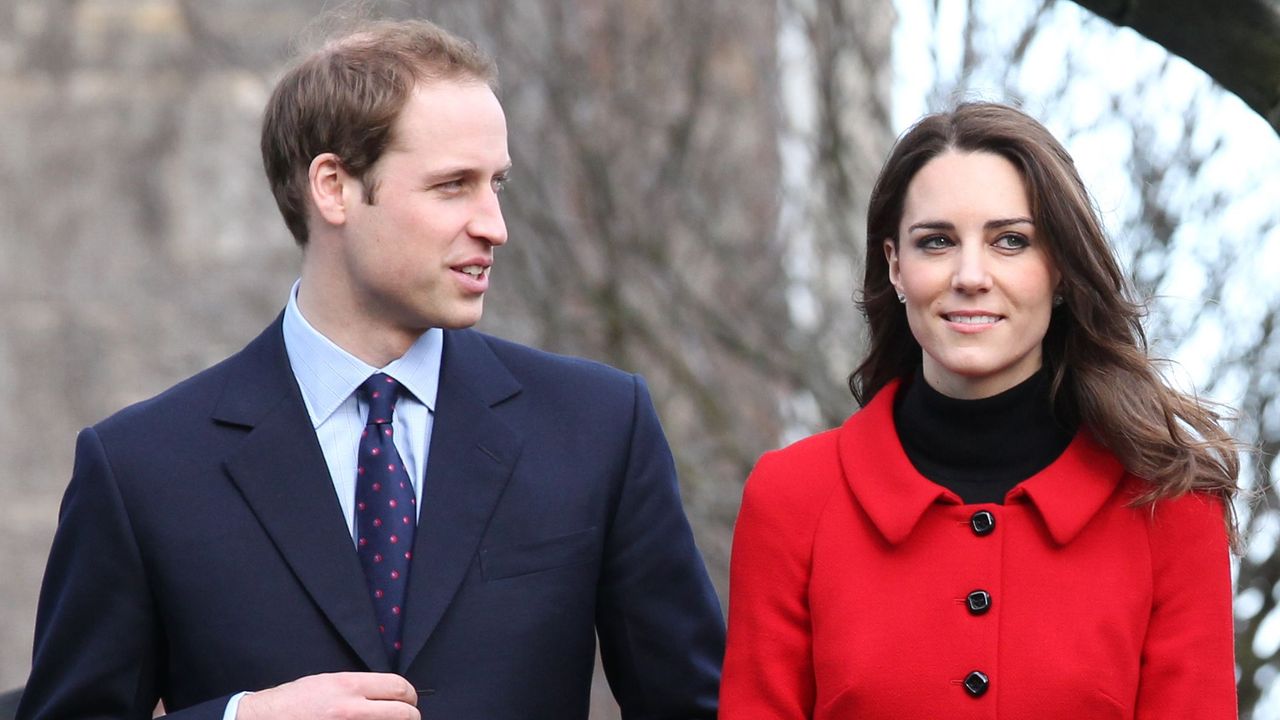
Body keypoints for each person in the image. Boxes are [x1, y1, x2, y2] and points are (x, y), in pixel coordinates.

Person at [19, 17, 724, 720]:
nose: (493, 224)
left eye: (496, 185)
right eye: (453, 186)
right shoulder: (141, 468)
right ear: (333, 187)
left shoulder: (598, 425)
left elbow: (696, 706)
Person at [720, 102, 1239, 718]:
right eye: (936, 242)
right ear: (895, 266)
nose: (971, 275)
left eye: (1010, 241)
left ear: (1062, 272)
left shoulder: (1171, 508)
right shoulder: (791, 499)